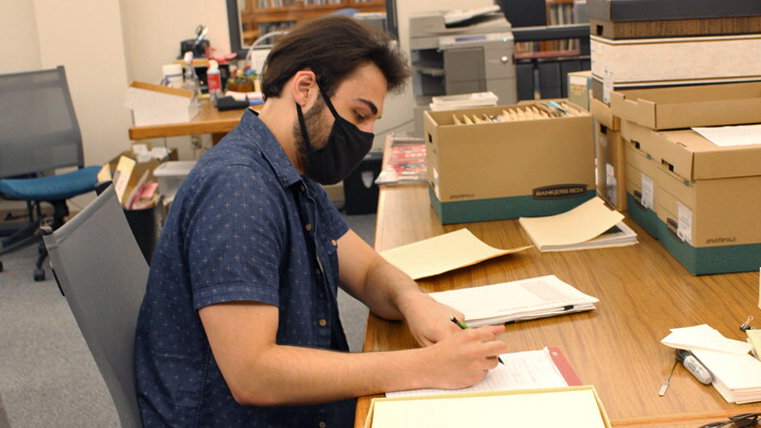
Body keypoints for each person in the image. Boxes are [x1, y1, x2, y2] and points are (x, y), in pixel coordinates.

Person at [134, 15, 508, 428]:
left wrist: (414, 302)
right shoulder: (238, 189)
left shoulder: (291, 171)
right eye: (359, 114)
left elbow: (367, 271)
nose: (365, 134)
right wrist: (427, 366)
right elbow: (252, 374)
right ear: (306, 88)